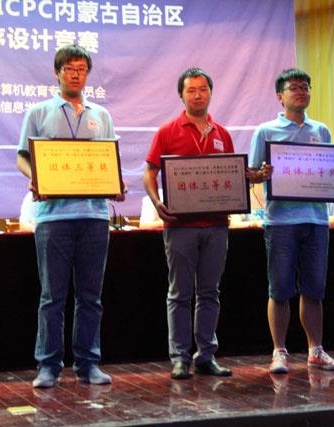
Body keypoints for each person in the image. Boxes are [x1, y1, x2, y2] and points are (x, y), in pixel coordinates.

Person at [16, 44, 125, 388]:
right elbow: (22, 157)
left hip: (94, 215)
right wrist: (35, 178)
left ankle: (88, 364)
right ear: (57, 72)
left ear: (87, 74)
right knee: (52, 296)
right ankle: (48, 366)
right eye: (69, 69)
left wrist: (116, 184)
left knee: (90, 296)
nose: (75, 75)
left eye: (81, 69)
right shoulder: (38, 112)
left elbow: (108, 160)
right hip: (53, 217)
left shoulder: (101, 115)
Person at [248, 68, 334, 374]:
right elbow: (251, 174)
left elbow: (329, 170)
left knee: (314, 289)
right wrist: (262, 174)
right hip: (280, 221)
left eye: (305, 87)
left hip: (316, 219)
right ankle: (279, 352)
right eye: (294, 88)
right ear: (280, 96)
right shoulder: (265, 131)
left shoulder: (322, 130)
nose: (301, 92)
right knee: (279, 289)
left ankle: (316, 350)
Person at [143, 67, 234, 380]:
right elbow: (149, 172)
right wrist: (157, 202)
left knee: (210, 292)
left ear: (211, 92)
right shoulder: (167, 131)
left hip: (216, 226)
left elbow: (231, 175)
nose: (198, 95)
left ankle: (206, 356)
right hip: (180, 227)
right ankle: (180, 358)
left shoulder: (223, 134)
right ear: (181, 96)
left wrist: (247, 178)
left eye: (203, 89)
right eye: (191, 90)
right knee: (180, 294)